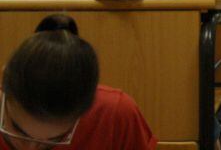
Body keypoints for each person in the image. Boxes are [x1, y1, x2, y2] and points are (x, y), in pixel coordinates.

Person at [0, 14, 157, 150]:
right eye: (19, 131)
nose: (31, 148)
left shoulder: (114, 114)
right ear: (3, 85)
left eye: (55, 139)